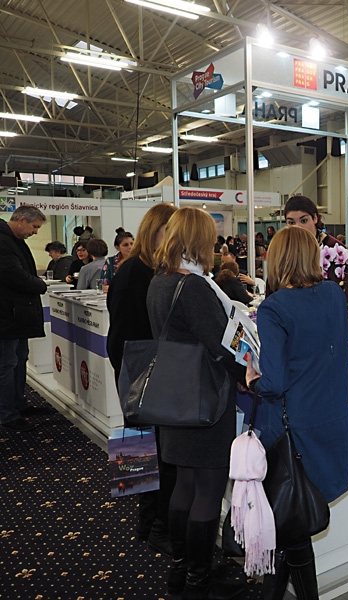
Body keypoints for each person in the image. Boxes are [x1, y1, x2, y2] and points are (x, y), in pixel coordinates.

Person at [245, 226, 348, 600]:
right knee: (293, 525)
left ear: (276, 259)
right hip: (331, 424)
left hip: (293, 433)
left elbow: (274, 382)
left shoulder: (274, 308)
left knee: (291, 525)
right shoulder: (334, 294)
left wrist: (252, 379)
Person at [147, 207, 246, 600]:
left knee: (185, 485)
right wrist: (250, 374)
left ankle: (181, 573)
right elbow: (222, 346)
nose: (216, 245)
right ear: (199, 240)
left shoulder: (160, 280)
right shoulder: (193, 287)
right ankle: (198, 581)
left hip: (174, 395)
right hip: (205, 399)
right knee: (208, 489)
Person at [106, 203, 178, 558]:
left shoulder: (144, 269)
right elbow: (122, 331)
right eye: (171, 229)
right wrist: (131, 377)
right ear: (156, 230)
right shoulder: (137, 271)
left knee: (145, 449)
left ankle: (147, 523)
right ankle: (154, 525)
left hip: (141, 371)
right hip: (143, 372)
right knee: (153, 452)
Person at [0, 206, 48, 433]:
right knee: (7, 364)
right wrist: (39, 285)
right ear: (21, 220)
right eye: (34, 227)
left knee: (19, 359)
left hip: (16, 314)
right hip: (7, 315)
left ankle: (18, 404)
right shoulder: (4, 241)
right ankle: (7, 414)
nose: (35, 232)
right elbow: (15, 275)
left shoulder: (14, 240)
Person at [284, 195, 348, 304]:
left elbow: (343, 301)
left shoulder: (336, 251)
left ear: (315, 218)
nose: (298, 227)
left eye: (304, 220)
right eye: (291, 223)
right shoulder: (283, 250)